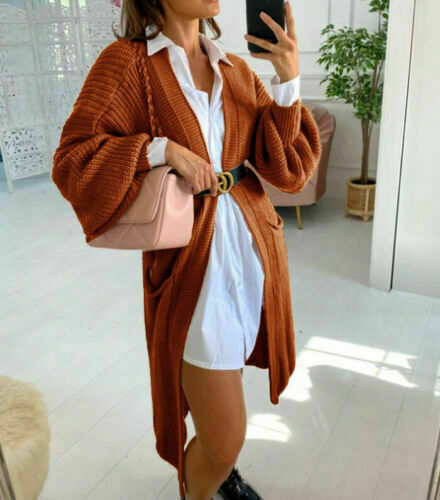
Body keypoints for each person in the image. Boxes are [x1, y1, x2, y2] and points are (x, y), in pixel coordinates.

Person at [51, 0, 322, 499]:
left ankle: (218, 470)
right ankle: (208, 476)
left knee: (224, 384)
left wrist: (288, 80)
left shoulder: (235, 68)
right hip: (192, 269)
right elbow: (73, 158)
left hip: (251, 254)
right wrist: (160, 150)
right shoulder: (128, 63)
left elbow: (287, 168)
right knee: (226, 435)